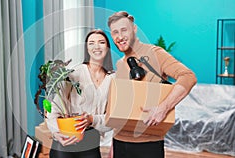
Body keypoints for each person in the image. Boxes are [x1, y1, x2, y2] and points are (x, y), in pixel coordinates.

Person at [107, 11, 197, 158]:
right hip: (119, 142)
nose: (120, 36)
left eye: (124, 30)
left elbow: (188, 77)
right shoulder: (120, 63)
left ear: (134, 29)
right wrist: (112, 146)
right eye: (115, 32)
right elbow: (121, 107)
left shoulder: (155, 53)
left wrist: (163, 108)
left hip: (148, 143)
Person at [47, 29, 115, 158]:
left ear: (107, 48)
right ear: (87, 49)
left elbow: (112, 118)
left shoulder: (113, 79)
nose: (96, 46)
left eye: (101, 42)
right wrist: (56, 133)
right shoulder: (73, 74)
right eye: (91, 43)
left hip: (91, 140)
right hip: (66, 139)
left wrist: (91, 119)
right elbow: (54, 108)